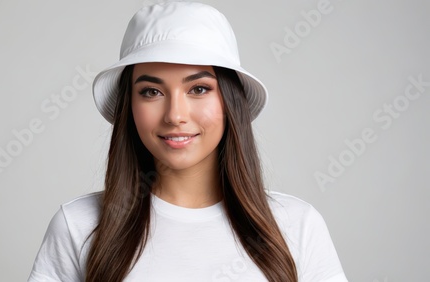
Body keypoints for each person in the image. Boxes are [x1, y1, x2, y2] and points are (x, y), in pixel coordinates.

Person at [28, 1, 348, 281]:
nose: (175, 115)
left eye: (198, 89)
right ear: (130, 106)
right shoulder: (79, 226)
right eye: (151, 92)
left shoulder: (297, 225)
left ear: (229, 101)